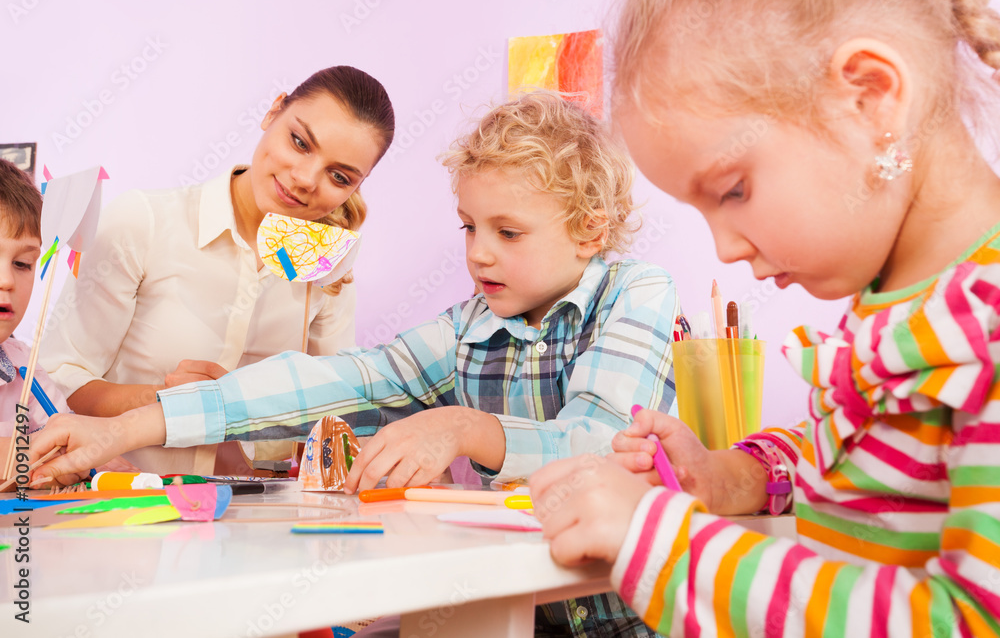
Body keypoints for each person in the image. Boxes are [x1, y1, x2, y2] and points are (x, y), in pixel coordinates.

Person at [31, 91, 682, 636]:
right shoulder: (470, 325)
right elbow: (336, 380)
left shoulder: (638, 293)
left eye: (507, 233)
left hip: (632, 614)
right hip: (519, 610)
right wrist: (120, 430)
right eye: (468, 227)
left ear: (591, 232)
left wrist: (462, 427)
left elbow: (596, 444)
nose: (479, 254)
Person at [531, 0, 1000, 635]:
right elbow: (863, 461)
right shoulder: (900, 298)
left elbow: (975, 620)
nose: (723, 248)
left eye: (732, 190)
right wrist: (731, 475)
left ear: (871, 98)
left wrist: (663, 542)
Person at [39, 65, 395, 474]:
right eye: (299, 142)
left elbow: (335, 416)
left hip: (265, 522)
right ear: (274, 111)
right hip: (132, 513)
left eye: (338, 176)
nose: (304, 179)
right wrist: (162, 400)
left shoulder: (328, 270)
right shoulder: (143, 222)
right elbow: (59, 378)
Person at [0, 158, 70, 439]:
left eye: (22, 263)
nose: (6, 281)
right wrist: (27, 453)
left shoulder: (24, 369)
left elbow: (67, 441)